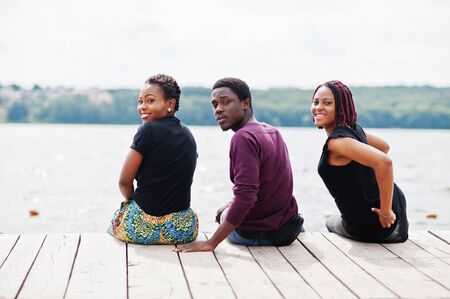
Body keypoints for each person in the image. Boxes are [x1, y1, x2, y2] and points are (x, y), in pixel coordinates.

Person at [176, 77, 303, 253]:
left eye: (226, 102)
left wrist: (211, 242)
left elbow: (245, 197)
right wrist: (230, 205)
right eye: (215, 105)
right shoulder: (273, 131)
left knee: (223, 216)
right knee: (227, 210)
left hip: (260, 234)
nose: (218, 109)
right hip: (288, 228)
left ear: (245, 103)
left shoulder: (243, 138)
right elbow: (267, 186)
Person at [311, 80, 408, 243]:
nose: (318, 107)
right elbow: (384, 147)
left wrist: (385, 212)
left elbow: (384, 162)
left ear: (341, 108)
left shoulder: (338, 142)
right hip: (396, 212)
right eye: (316, 102)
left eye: (327, 103)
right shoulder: (354, 130)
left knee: (329, 222)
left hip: (374, 224)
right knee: (335, 219)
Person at [108, 74, 199, 245]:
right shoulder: (188, 134)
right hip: (182, 229)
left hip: (142, 229)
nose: (142, 106)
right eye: (140, 101)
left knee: (116, 220)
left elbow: (124, 182)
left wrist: (133, 205)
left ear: (170, 104)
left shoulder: (147, 130)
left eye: (150, 101)